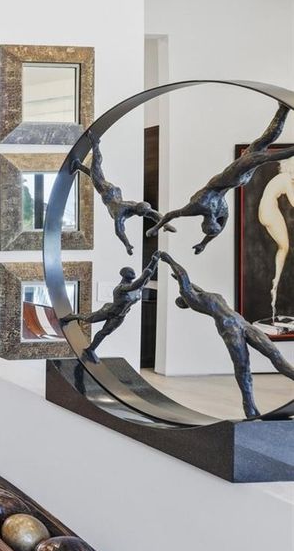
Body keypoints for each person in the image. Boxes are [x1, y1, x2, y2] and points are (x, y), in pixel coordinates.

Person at [157, 251, 294, 420]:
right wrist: (169, 260)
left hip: (244, 324)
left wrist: (187, 281)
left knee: (274, 354)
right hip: (230, 329)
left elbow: (192, 284)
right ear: (185, 302)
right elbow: (183, 276)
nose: (184, 294)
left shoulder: (206, 295)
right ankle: (249, 407)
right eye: (182, 297)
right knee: (243, 367)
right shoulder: (191, 299)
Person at [148, 105, 294, 254]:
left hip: (233, 176)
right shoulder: (219, 212)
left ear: (208, 222)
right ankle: (283, 109)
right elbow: (216, 229)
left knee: (268, 151)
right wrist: (203, 244)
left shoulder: (198, 206)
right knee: (266, 140)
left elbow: (171, 215)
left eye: (213, 223)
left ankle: (283, 108)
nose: (216, 222)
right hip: (237, 179)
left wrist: (155, 228)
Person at [72, 136, 171, 255]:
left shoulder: (137, 207)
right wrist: (127, 244)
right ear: (139, 211)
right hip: (107, 191)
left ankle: (78, 166)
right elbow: (119, 231)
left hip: (114, 193)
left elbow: (154, 214)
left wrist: (165, 224)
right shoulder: (120, 212)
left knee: (96, 176)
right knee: (96, 166)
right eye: (142, 214)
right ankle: (95, 144)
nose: (142, 216)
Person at [61, 254, 159, 362]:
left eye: (133, 272)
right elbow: (136, 284)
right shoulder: (121, 288)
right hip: (109, 311)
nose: (133, 273)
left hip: (120, 316)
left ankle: (90, 349)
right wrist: (145, 274)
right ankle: (70, 317)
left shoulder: (139, 288)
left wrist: (154, 261)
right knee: (88, 318)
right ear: (123, 275)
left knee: (105, 332)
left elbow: (147, 276)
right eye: (130, 272)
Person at [258, 157, 294, 322]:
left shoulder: (282, 178)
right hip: (269, 211)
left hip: (265, 211)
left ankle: (275, 282)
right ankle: (275, 284)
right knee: (284, 248)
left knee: (283, 247)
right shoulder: (286, 179)